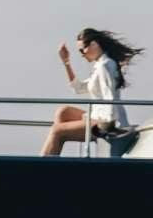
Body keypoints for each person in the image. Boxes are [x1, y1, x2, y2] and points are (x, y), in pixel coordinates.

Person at [41, 27, 143, 155]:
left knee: (57, 131)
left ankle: (43, 166)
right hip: (98, 116)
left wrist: (108, 126)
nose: (82, 54)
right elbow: (79, 88)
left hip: (108, 122)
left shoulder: (105, 65)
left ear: (94, 44)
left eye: (83, 49)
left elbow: (109, 96)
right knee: (63, 112)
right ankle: (55, 153)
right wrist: (66, 62)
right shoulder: (100, 65)